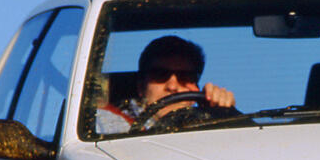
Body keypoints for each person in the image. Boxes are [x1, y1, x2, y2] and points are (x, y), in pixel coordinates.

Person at [97, 36, 235, 133]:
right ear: (141, 86)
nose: (172, 86)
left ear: (195, 89)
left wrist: (224, 115)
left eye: (184, 77)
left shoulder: (207, 131)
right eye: (160, 74)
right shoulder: (108, 122)